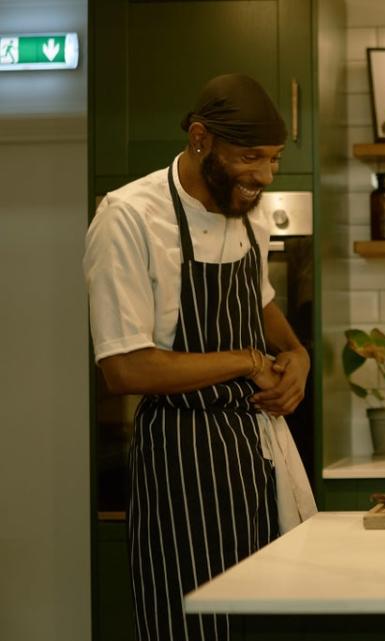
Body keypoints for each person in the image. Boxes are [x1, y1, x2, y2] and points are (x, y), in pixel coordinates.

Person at [84, 73, 317, 641]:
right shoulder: (129, 217)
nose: (263, 175)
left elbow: (261, 304)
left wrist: (298, 356)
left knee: (263, 624)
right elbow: (125, 368)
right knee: (192, 628)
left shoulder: (248, 211)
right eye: (250, 158)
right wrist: (245, 361)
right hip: (180, 464)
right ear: (199, 139)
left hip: (254, 457)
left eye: (274, 159)